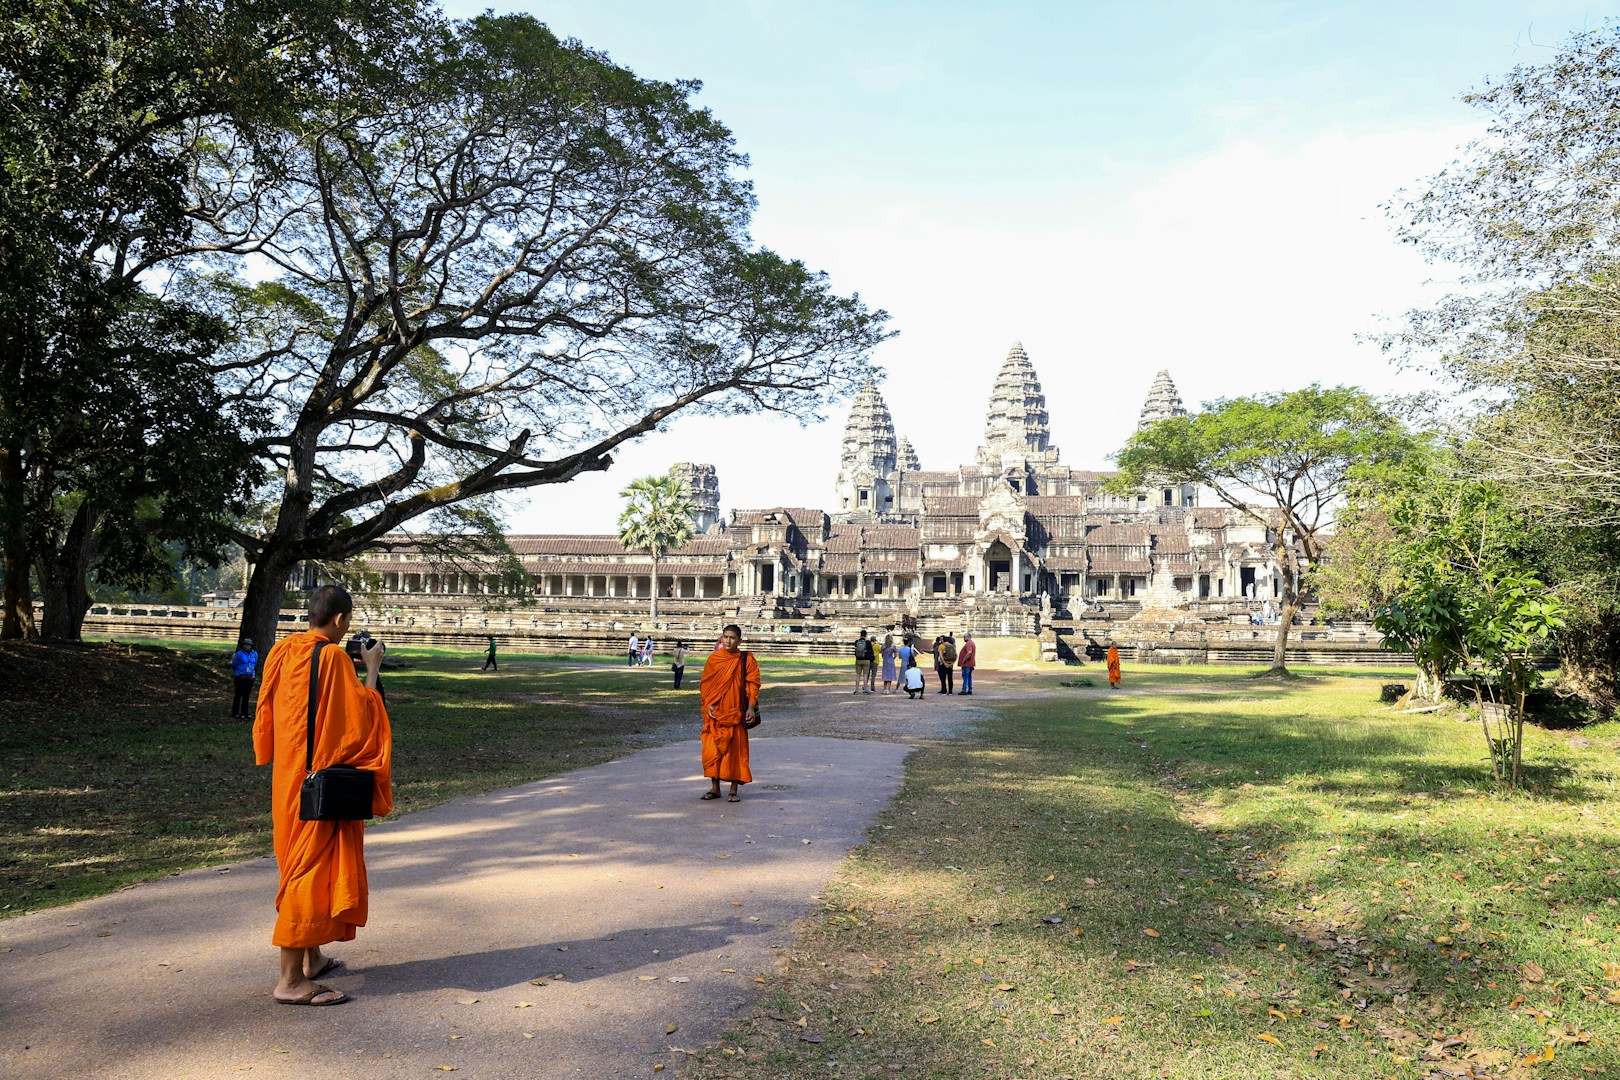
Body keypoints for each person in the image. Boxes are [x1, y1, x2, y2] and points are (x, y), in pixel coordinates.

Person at [253, 584, 392, 1006]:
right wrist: (371, 668)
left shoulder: (283, 650)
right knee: (308, 871)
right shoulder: (330, 656)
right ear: (339, 620)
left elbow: (272, 710)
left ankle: (311, 959)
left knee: (296, 861)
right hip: (319, 784)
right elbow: (359, 722)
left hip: (290, 777)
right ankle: (290, 981)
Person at [698, 624, 758, 802]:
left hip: (736, 711)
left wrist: (750, 707)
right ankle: (715, 788)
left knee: (736, 751)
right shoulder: (714, 659)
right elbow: (706, 684)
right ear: (721, 638)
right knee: (713, 749)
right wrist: (708, 703)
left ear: (739, 641)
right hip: (716, 712)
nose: (728, 640)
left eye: (732, 638)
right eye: (725, 637)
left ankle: (733, 789)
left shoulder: (746, 659)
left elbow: (752, 685)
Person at [231, 638, 259, 718]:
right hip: (240, 677)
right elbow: (234, 665)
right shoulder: (239, 654)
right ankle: (235, 712)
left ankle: (244, 713)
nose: (246, 646)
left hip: (250, 677)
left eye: (248, 645)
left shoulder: (254, 654)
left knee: (246, 696)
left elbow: (255, 664)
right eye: (245, 645)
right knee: (238, 695)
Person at [852, 629, 874, 694]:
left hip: (858, 660)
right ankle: (865, 689)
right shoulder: (868, 642)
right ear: (866, 635)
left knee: (858, 675)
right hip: (866, 660)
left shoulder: (856, 642)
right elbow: (871, 652)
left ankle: (856, 689)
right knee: (865, 675)